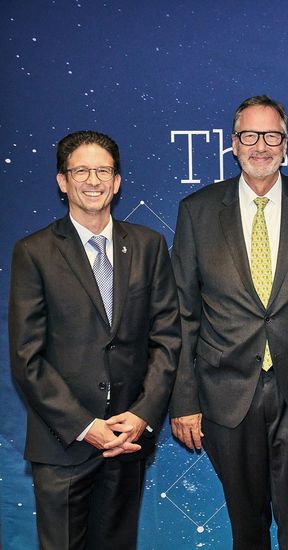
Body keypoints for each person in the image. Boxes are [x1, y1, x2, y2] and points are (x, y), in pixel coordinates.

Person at [169, 95, 288, 549]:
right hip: (226, 394)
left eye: (272, 136)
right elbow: (182, 314)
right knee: (246, 530)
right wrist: (183, 399)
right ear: (234, 144)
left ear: (286, 145)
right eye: (250, 135)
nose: (261, 146)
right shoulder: (197, 211)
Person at [8, 130, 181, 549]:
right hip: (63, 443)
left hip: (127, 440)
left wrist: (141, 414)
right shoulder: (34, 252)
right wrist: (86, 426)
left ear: (117, 181)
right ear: (62, 181)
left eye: (103, 170)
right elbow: (26, 357)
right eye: (81, 170)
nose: (93, 180)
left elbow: (167, 338)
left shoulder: (148, 246)